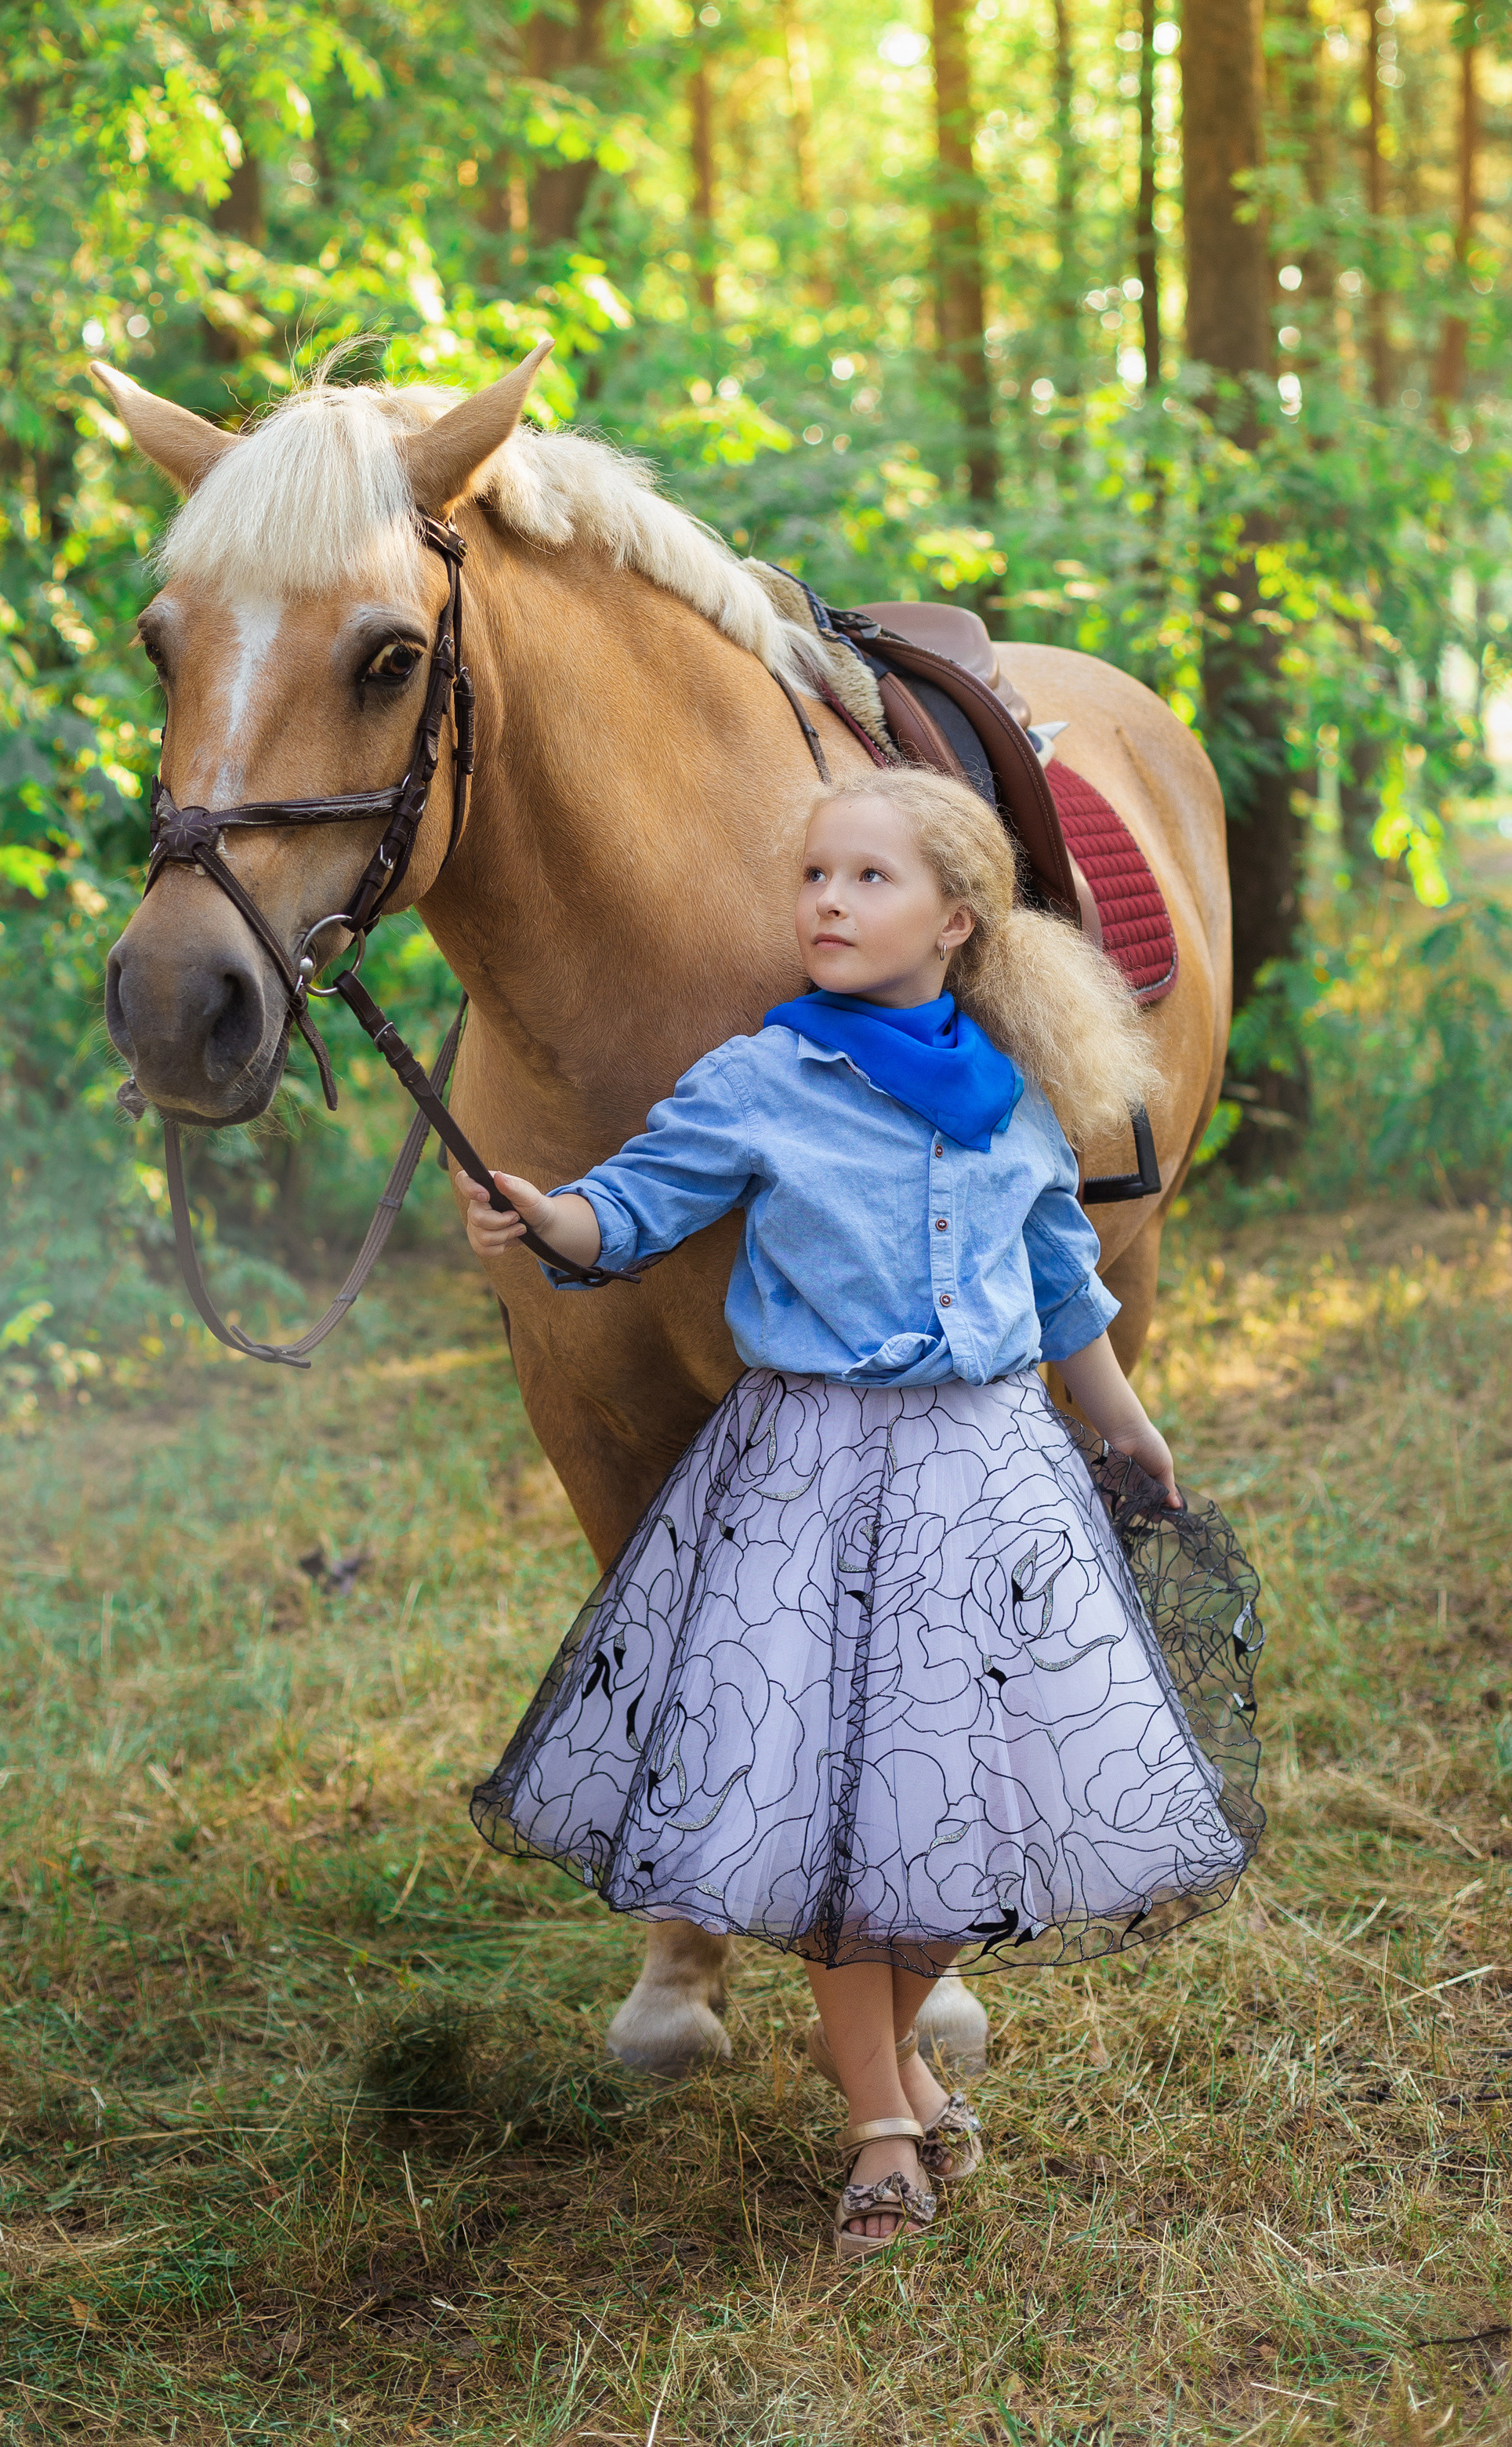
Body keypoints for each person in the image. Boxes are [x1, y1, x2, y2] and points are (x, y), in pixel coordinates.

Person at [455, 769, 1261, 2260]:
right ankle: (880, 2118)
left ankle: (874, 2052)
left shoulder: (1008, 1096)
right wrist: (545, 1213)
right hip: (816, 1475)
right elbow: (628, 1210)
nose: (826, 901)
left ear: (956, 919)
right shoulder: (763, 1079)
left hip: (986, 1470)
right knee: (836, 1796)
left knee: (951, 1794)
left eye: (867, 880)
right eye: (814, 876)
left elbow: (1061, 1292)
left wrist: (1130, 1428)